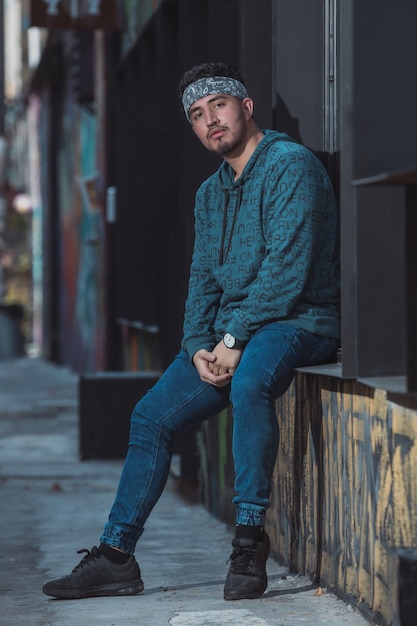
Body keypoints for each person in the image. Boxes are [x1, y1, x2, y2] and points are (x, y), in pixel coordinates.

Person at [42, 61, 340, 602]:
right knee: (150, 416)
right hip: (231, 337)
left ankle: (249, 540)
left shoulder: (290, 167)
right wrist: (197, 346)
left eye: (218, 106)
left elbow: (287, 272)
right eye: (198, 116)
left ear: (246, 108)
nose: (210, 122)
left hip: (302, 319)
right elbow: (202, 282)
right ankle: (115, 557)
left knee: (250, 381)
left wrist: (233, 341)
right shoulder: (210, 194)